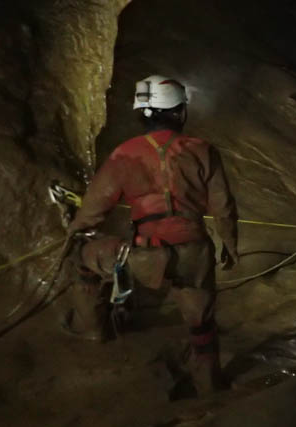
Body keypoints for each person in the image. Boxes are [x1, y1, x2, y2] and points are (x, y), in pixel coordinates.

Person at [64, 75, 238, 396]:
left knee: (82, 259)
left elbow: (93, 209)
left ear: (141, 113)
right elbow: (223, 205)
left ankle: (91, 331)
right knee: (201, 323)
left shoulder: (124, 154)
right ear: (179, 112)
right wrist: (229, 244)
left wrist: (74, 233)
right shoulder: (203, 150)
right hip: (193, 253)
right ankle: (209, 385)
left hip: (144, 257)